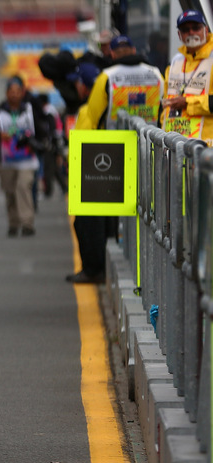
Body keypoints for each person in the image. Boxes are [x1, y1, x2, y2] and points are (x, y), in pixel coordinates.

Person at [70, 35, 163, 284]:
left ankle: (95, 268)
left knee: (94, 216)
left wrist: (79, 156)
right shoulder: (156, 75)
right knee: (140, 215)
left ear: (111, 54)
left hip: (110, 154)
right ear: (134, 49)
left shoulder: (107, 77)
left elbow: (92, 116)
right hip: (147, 150)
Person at [0, 77, 48, 237]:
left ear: (22, 93)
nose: (14, 95)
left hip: (27, 159)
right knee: (10, 192)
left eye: (17, 92)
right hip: (7, 160)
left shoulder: (30, 109)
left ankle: (27, 223)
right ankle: (13, 223)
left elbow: (42, 129)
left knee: (23, 188)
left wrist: (33, 140)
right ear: (6, 93)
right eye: (11, 92)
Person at [162, 9, 213, 140]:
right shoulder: (175, 62)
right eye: (185, 30)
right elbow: (164, 104)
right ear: (179, 35)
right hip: (175, 147)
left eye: (196, 28)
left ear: (205, 31)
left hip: (206, 149)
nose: (191, 32)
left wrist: (187, 103)